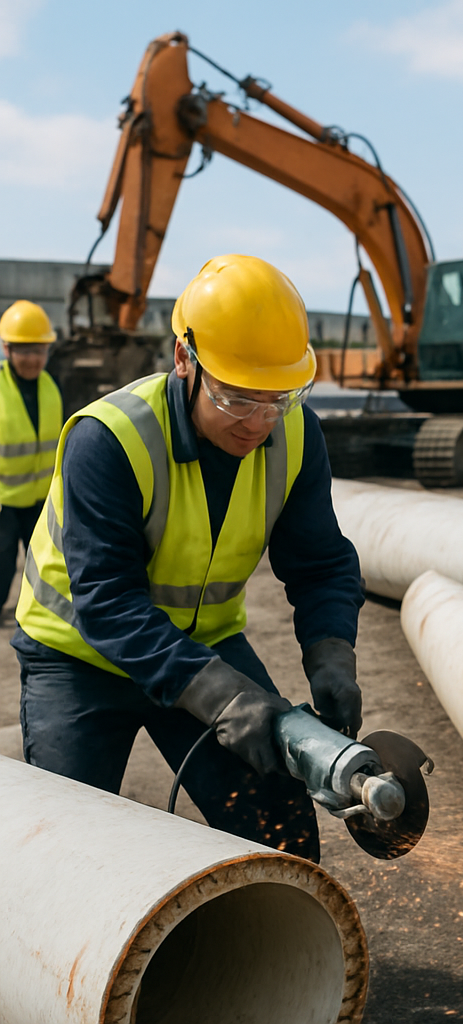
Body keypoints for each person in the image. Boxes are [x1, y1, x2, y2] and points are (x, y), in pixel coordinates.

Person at [13, 254, 364, 862]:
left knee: (278, 827)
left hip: (203, 644)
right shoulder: (110, 440)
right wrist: (226, 698)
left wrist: (332, 652)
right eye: (236, 398)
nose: (259, 421)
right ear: (184, 360)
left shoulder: (298, 435)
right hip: (77, 657)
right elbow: (112, 606)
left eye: (278, 397)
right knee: (62, 852)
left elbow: (321, 564)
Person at [0, 301, 63, 617]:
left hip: (40, 499)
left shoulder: (51, 387)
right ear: (7, 349)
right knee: (2, 562)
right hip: (4, 502)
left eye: (40, 350)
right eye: (25, 350)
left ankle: (38, 613)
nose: (33, 359)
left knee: (44, 562)